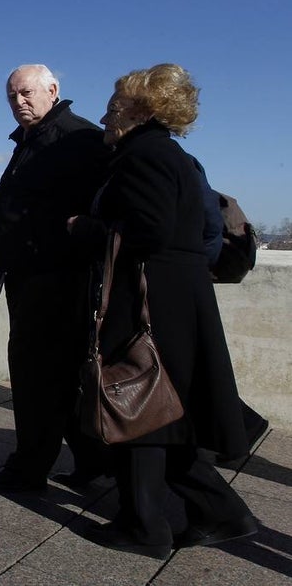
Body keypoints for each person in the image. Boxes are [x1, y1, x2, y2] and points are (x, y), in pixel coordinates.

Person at [72, 63, 258, 558]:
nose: (106, 115)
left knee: (139, 399)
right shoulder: (169, 154)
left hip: (149, 298)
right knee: (164, 409)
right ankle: (220, 513)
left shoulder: (144, 156)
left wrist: (85, 228)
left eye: (114, 107)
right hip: (177, 297)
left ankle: (145, 525)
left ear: (141, 109)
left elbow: (147, 231)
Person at [0, 64, 109, 493]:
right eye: (12, 96)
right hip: (36, 277)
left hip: (55, 280)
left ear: (53, 90)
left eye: (27, 93)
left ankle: (28, 469)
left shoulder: (76, 138)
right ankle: (94, 462)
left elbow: (95, 211)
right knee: (60, 378)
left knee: (38, 379)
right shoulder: (38, 138)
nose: (19, 101)